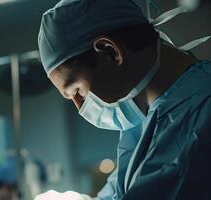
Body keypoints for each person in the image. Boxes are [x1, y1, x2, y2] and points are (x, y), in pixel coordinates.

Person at [35, 0, 211, 199]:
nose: (80, 107)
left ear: (110, 52)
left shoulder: (201, 111)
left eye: (77, 90)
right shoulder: (144, 123)